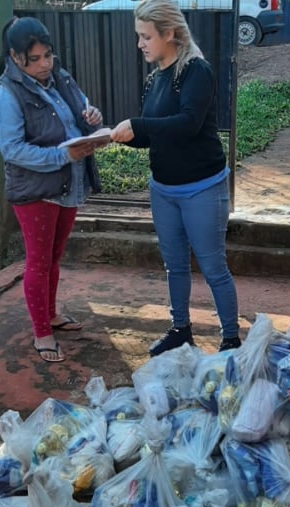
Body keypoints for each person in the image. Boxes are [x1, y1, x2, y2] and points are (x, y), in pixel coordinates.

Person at [110, 0, 241, 357]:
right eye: (139, 36)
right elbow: (153, 135)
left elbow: (188, 124)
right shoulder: (155, 78)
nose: (140, 43)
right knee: (175, 266)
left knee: (213, 266)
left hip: (201, 187)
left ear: (169, 33)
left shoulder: (196, 71)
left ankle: (231, 340)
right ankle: (181, 329)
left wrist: (138, 125)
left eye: (146, 36)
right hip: (163, 189)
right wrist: (111, 134)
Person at [0, 16, 106, 363]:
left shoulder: (60, 77)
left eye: (48, 56)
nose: (44, 64)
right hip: (36, 191)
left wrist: (92, 118)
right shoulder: (6, 95)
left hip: (68, 184)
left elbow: (80, 110)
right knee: (38, 263)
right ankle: (41, 331)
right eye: (34, 59)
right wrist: (61, 154)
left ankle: (51, 314)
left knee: (54, 258)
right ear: (15, 56)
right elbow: (13, 149)